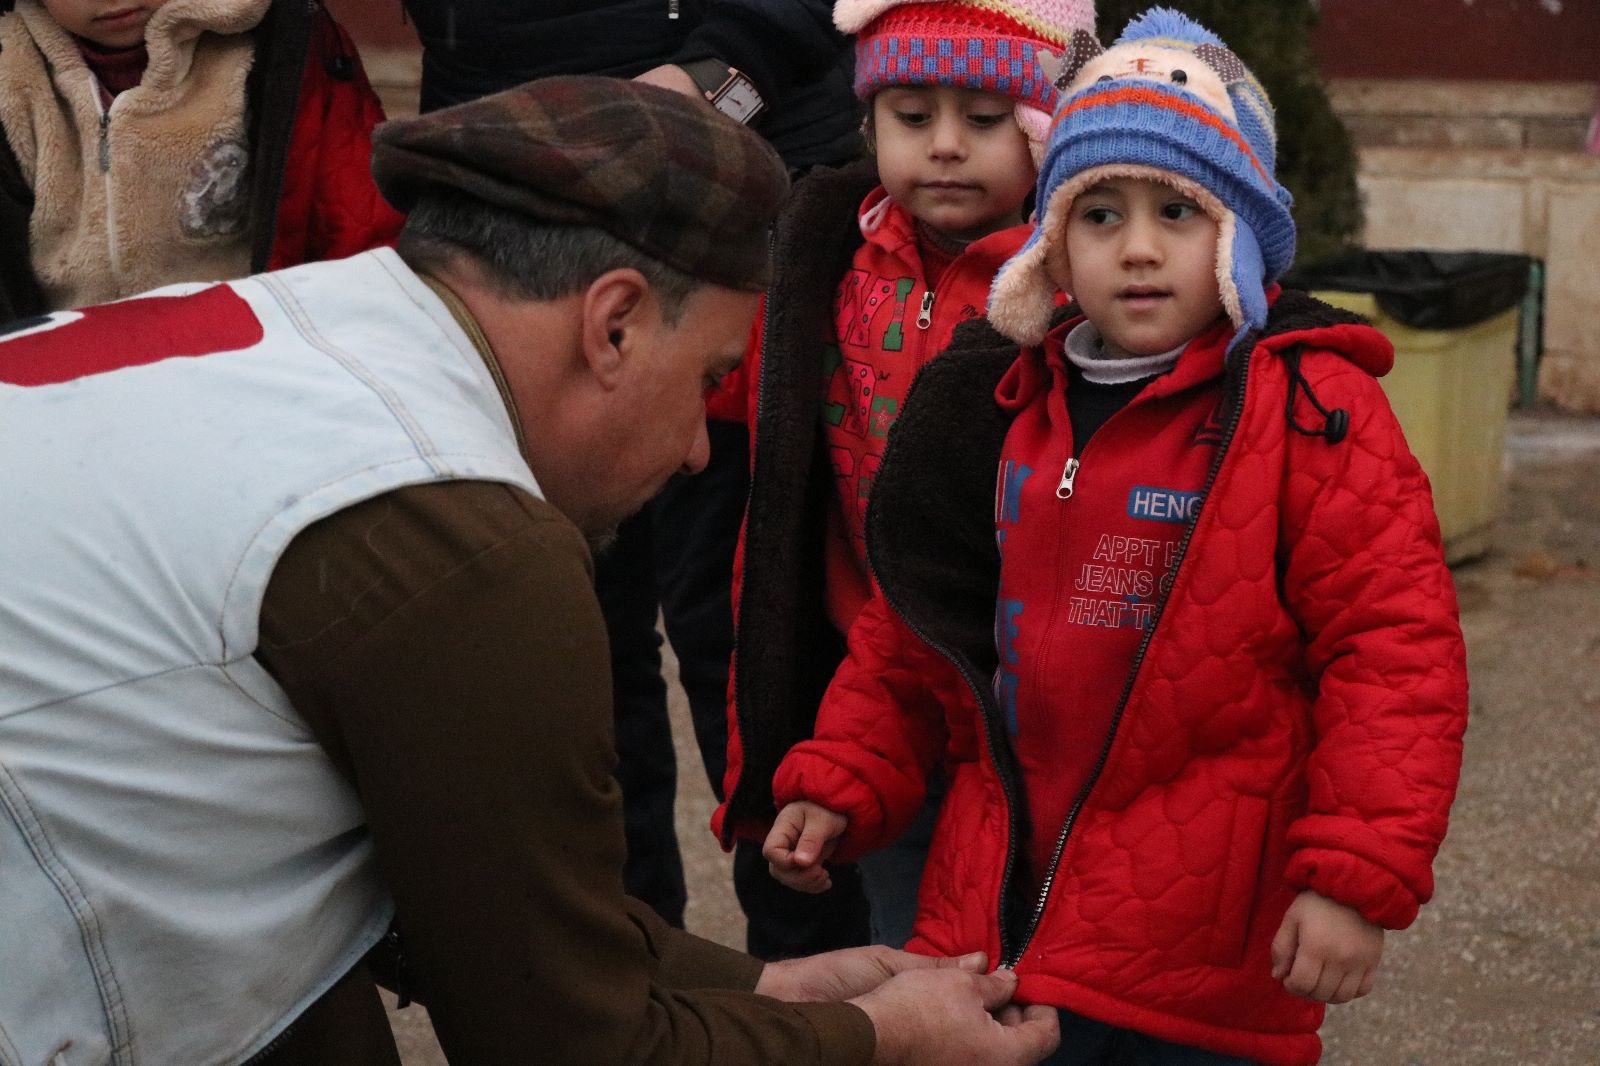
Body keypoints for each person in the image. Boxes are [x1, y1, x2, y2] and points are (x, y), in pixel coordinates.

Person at [0, 76, 1062, 1066]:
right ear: (612, 324)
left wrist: (764, 985)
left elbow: (470, 893)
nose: (701, 446)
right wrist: (879, 1038)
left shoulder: (320, 323)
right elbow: (563, 1043)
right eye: (710, 378)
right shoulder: (459, 532)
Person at [760, 9, 1470, 1064]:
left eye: (1176, 211)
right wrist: (841, 775)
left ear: (1238, 233)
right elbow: (917, 631)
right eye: (1098, 214)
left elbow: (1394, 657)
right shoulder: (994, 399)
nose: (1135, 248)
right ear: (1051, 241)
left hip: (1198, 953)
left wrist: (1354, 875)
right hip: (992, 927)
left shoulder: (1310, 411)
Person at [398, 0, 868, 952]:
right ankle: (623, 979)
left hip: (744, 158)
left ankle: (818, 990)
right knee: (557, 635)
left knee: (749, 642)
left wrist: (718, 80)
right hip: (513, 191)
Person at [712, 0, 1094, 950]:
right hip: (868, 666)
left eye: (986, 117)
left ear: (1048, 128)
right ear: (869, 123)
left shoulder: (1078, 284)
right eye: (913, 116)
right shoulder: (824, 260)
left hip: (1022, 685)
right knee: (903, 929)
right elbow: (731, 377)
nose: (948, 147)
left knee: (1030, 933)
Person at [0, 0, 402, 324]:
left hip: (239, 349)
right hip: (63, 364)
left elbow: (354, 216)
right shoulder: (13, 69)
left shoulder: (275, 45)